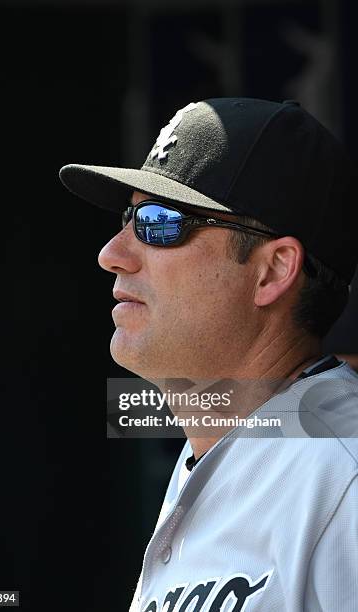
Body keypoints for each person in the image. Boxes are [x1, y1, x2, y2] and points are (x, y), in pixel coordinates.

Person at [59, 98, 358, 611]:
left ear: (272, 270)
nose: (112, 254)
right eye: (128, 217)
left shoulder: (344, 470)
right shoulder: (220, 445)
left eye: (157, 221)